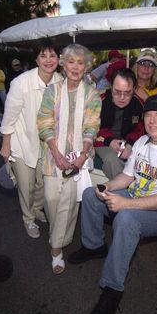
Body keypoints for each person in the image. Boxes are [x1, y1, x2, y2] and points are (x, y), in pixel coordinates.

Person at [67, 94, 157, 314]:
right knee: (90, 194)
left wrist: (125, 204)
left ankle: (112, 288)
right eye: (148, 115)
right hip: (137, 196)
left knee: (126, 219)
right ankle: (94, 246)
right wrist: (107, 187)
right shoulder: (141, 142)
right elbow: (128, 176)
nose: (152, 121)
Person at [37, 44, 101, 275]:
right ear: (63, 64)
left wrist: (83, 155)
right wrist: (55, 152)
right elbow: (44, 122)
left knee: (68, 204)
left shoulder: (92, 94)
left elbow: (92, 125)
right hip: (52, 155)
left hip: (78, 159)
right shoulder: (52, 91)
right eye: (71, 61)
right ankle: (58, 235)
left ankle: (56, 250)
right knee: (51, 199)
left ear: (86, 67)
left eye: (80, 62)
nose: (75, 67)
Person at [0, 38, 62, 239]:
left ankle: (35, 209)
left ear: (58, 58)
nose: (48, 60)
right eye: (43, 55)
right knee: (25, 186)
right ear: (36, 59)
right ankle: (28, 219)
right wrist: (6, 145)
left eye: (52, 55)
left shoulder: (60, 80)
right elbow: (9, 117)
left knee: (43, 184)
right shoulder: (21, 82)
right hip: (21, 142)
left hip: (46, 143)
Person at [94, 68, 144, 179]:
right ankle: (123, 193)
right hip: (102, 141)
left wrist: (130, 144)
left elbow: (140, 129)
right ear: (111, 87)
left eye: (127, 93)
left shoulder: (138, 104)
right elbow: (89, 128)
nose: (122, 98)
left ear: (134, 89)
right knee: (112, 160)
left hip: (128, 143)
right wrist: (109, 141)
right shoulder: (98, 100)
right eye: (117, 92)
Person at [0, 62, 6, 127]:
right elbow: (1, 79)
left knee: (6, 103)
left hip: (2, 89)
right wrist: (0, 79)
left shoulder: (0, 71)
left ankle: (7, 118)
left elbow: (3, 78)